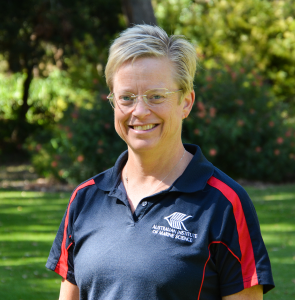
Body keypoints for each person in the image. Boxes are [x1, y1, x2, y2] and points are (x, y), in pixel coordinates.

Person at [46, 25, 275, 300]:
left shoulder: (225, 204)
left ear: (186, 103)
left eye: (156, 96)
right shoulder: (84, 200)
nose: (140, 111)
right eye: (127, 98)